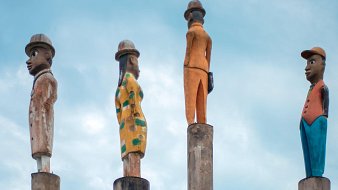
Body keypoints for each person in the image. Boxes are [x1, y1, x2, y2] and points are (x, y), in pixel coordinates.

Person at [25, 34, 57, 173]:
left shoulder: (46, 79)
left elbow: (50, 100)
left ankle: (45, 170)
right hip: (37, 128)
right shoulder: (39, 80)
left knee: (43, 154)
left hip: (43, 128)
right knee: (39, 154)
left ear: (47, 56)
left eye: (34, 54)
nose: (29, 60)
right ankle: (41, 171)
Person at [115, 40, 147, 177]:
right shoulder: (131, 81)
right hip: (135, 121)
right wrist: (134, 113)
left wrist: (123, 120)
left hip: (123, 123)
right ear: (132, 61)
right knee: (134, 152)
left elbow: (118, 111)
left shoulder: (119, 88)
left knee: (126, 154)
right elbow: (134, 99)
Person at [300, 47, 329, 177]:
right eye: (307, 63)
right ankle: (309, 176)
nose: (307, 68)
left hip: (317, 120)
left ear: (322, 65)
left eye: (311, 62)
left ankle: (317, 176)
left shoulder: (322, 86)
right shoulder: (312, 88)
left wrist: (324, 116)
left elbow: (325, 100)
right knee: (307, 154)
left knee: (316, 151)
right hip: (305, 123)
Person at [184, 0, 212, 125]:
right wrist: (206, 71)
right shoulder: (207, 36)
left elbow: (188, 52)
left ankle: (191, 122)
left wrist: (186, 64)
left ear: (190, 16)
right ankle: (202, 122)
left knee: (191, 96)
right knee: (202, 99)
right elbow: (208, 57)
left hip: (192, 66)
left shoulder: (191, 33)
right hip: (204, 69)